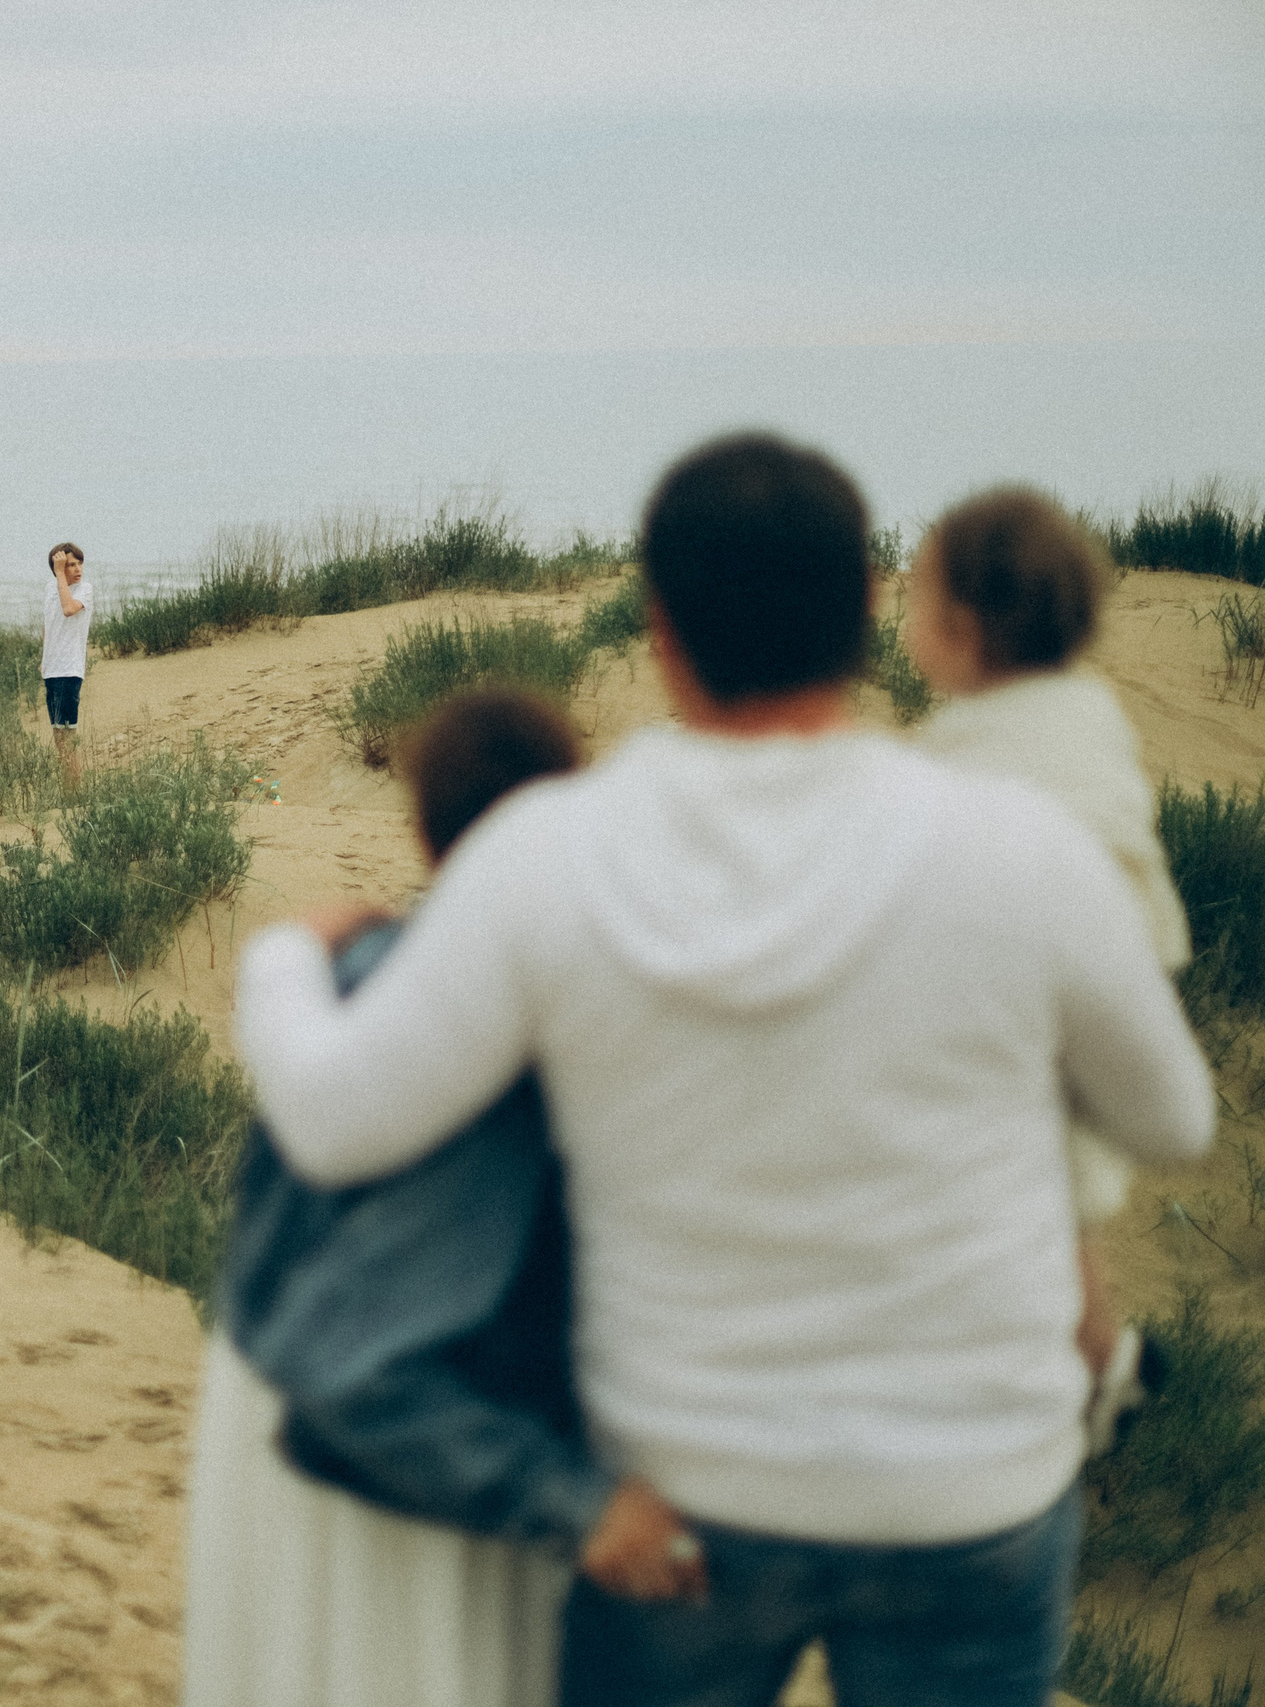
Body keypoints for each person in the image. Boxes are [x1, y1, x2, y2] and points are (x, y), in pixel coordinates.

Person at [235, 433, 1214, 1707]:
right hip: (971, 1490)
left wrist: (282, 964)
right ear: (867, 610)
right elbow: (1173, 1118)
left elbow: (336, 1123)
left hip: (688, 1502)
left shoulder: (547, 856)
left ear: (659, 627)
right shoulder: (1019, 848)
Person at [190, 687, 689, 1707]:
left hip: (259, 1393)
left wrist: (286, 953)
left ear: (422, 829)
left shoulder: (349, 969)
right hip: (418, 1423)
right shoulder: (529, 1000)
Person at [903, 485, 1191, 1449]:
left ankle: (1070, 1375)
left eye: (916, 598)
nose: (904, 617)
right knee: (1062, 1202)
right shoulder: (1086, 716)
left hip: (1037, 990)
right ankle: (1104, 1364)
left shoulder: (973, 755)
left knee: (1034, 1196)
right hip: (1111, 980)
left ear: (965, 625)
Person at [41, 542, 91, 787]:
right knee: (57, 735)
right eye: (71, 564)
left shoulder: (85, 590)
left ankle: (76, 794)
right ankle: (67, 789)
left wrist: (61, 574)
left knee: (69, 736)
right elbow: (48, 625)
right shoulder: (51, 587)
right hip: (51, 670)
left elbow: (69, 609)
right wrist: (43, 660)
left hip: (70, 670)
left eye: (79, 563)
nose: (78, 569)